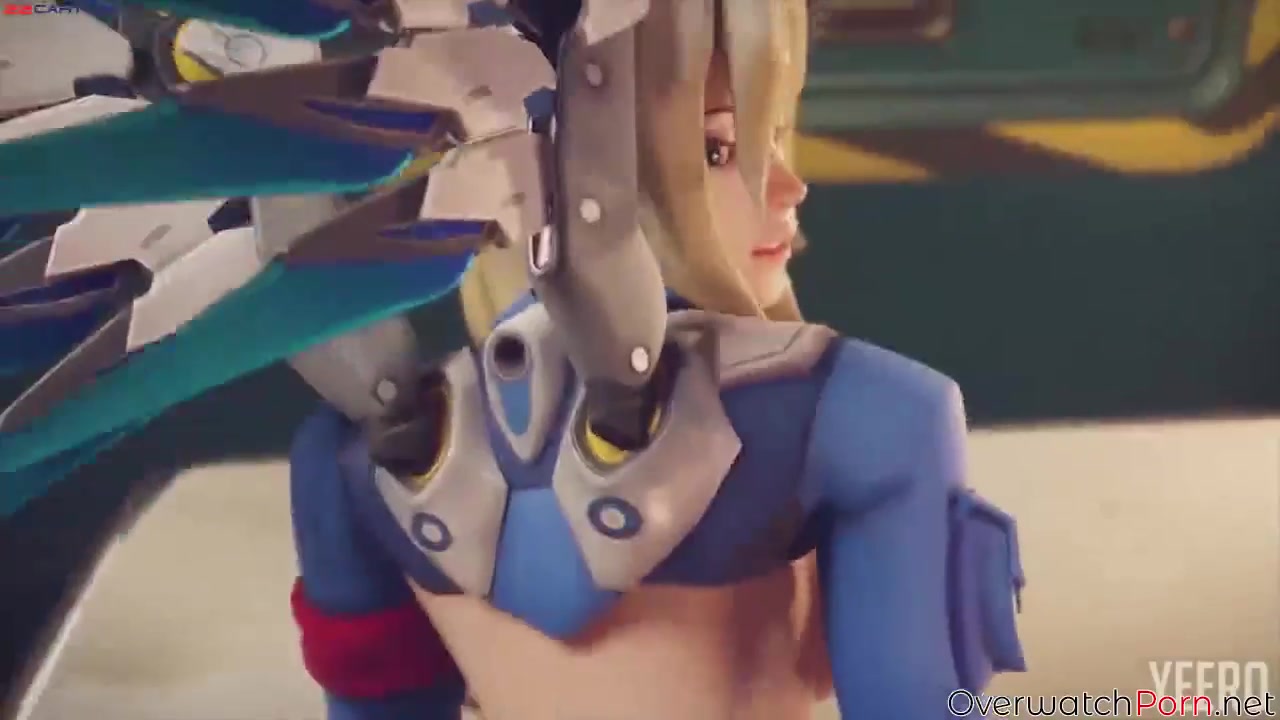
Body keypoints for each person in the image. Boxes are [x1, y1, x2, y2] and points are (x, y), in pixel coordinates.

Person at [289, 1, 1027, 718]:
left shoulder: (348, 457)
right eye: (718, 150)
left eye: (775, 137)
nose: (788, 187)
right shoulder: (868, 414)